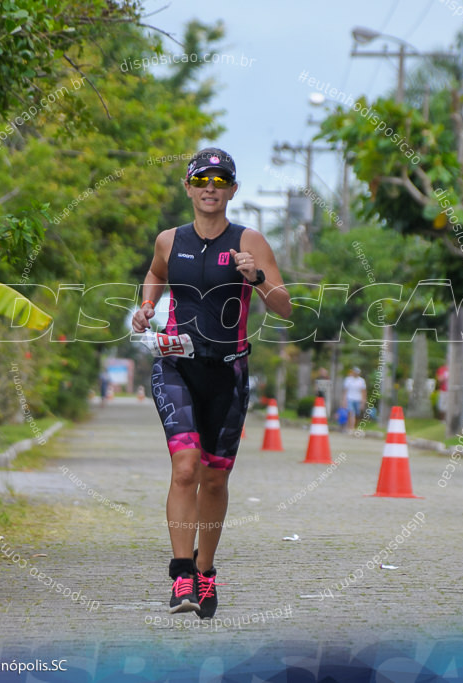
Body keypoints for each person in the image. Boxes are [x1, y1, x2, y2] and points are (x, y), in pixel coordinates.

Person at [132, 148, 291, 618]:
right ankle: (181, 572)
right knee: (185, 467)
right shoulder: (169, 240)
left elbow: (284, 306)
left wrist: (257, 276)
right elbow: (156, 274)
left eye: (221, 181)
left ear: (232, 191)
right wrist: (147, 307)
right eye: (202, 179)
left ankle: (206, 572)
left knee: (214, 478)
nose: (210, 187)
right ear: (188, 187)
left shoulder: (250, 241)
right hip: (176, 365)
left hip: (228, 371)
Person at [342, 367, 367, 433]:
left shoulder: (361, 381)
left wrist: (363, 401)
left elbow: (363, 391)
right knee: (351, 413)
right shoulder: (348, 380)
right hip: (350, 398)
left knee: (356, 414)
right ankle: (351, 428)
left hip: (358, 399)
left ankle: (353, 427)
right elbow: (345, 391)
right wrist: (344, 400)